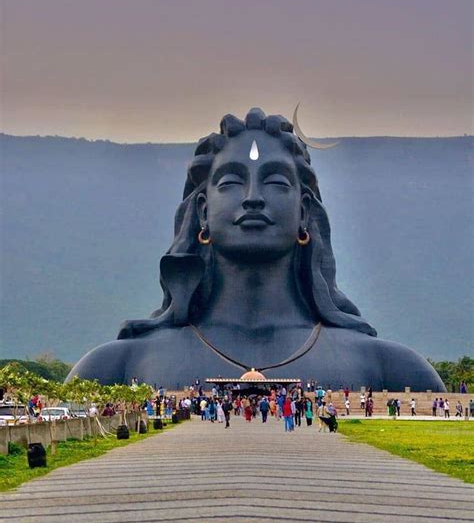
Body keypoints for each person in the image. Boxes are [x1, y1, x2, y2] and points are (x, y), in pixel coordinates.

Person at [67, 108, 446, 392]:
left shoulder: (390, 369)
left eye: (277, 182)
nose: (252, 198)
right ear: (202, 212)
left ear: (304, 212)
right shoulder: (114, 367)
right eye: (231, 181)